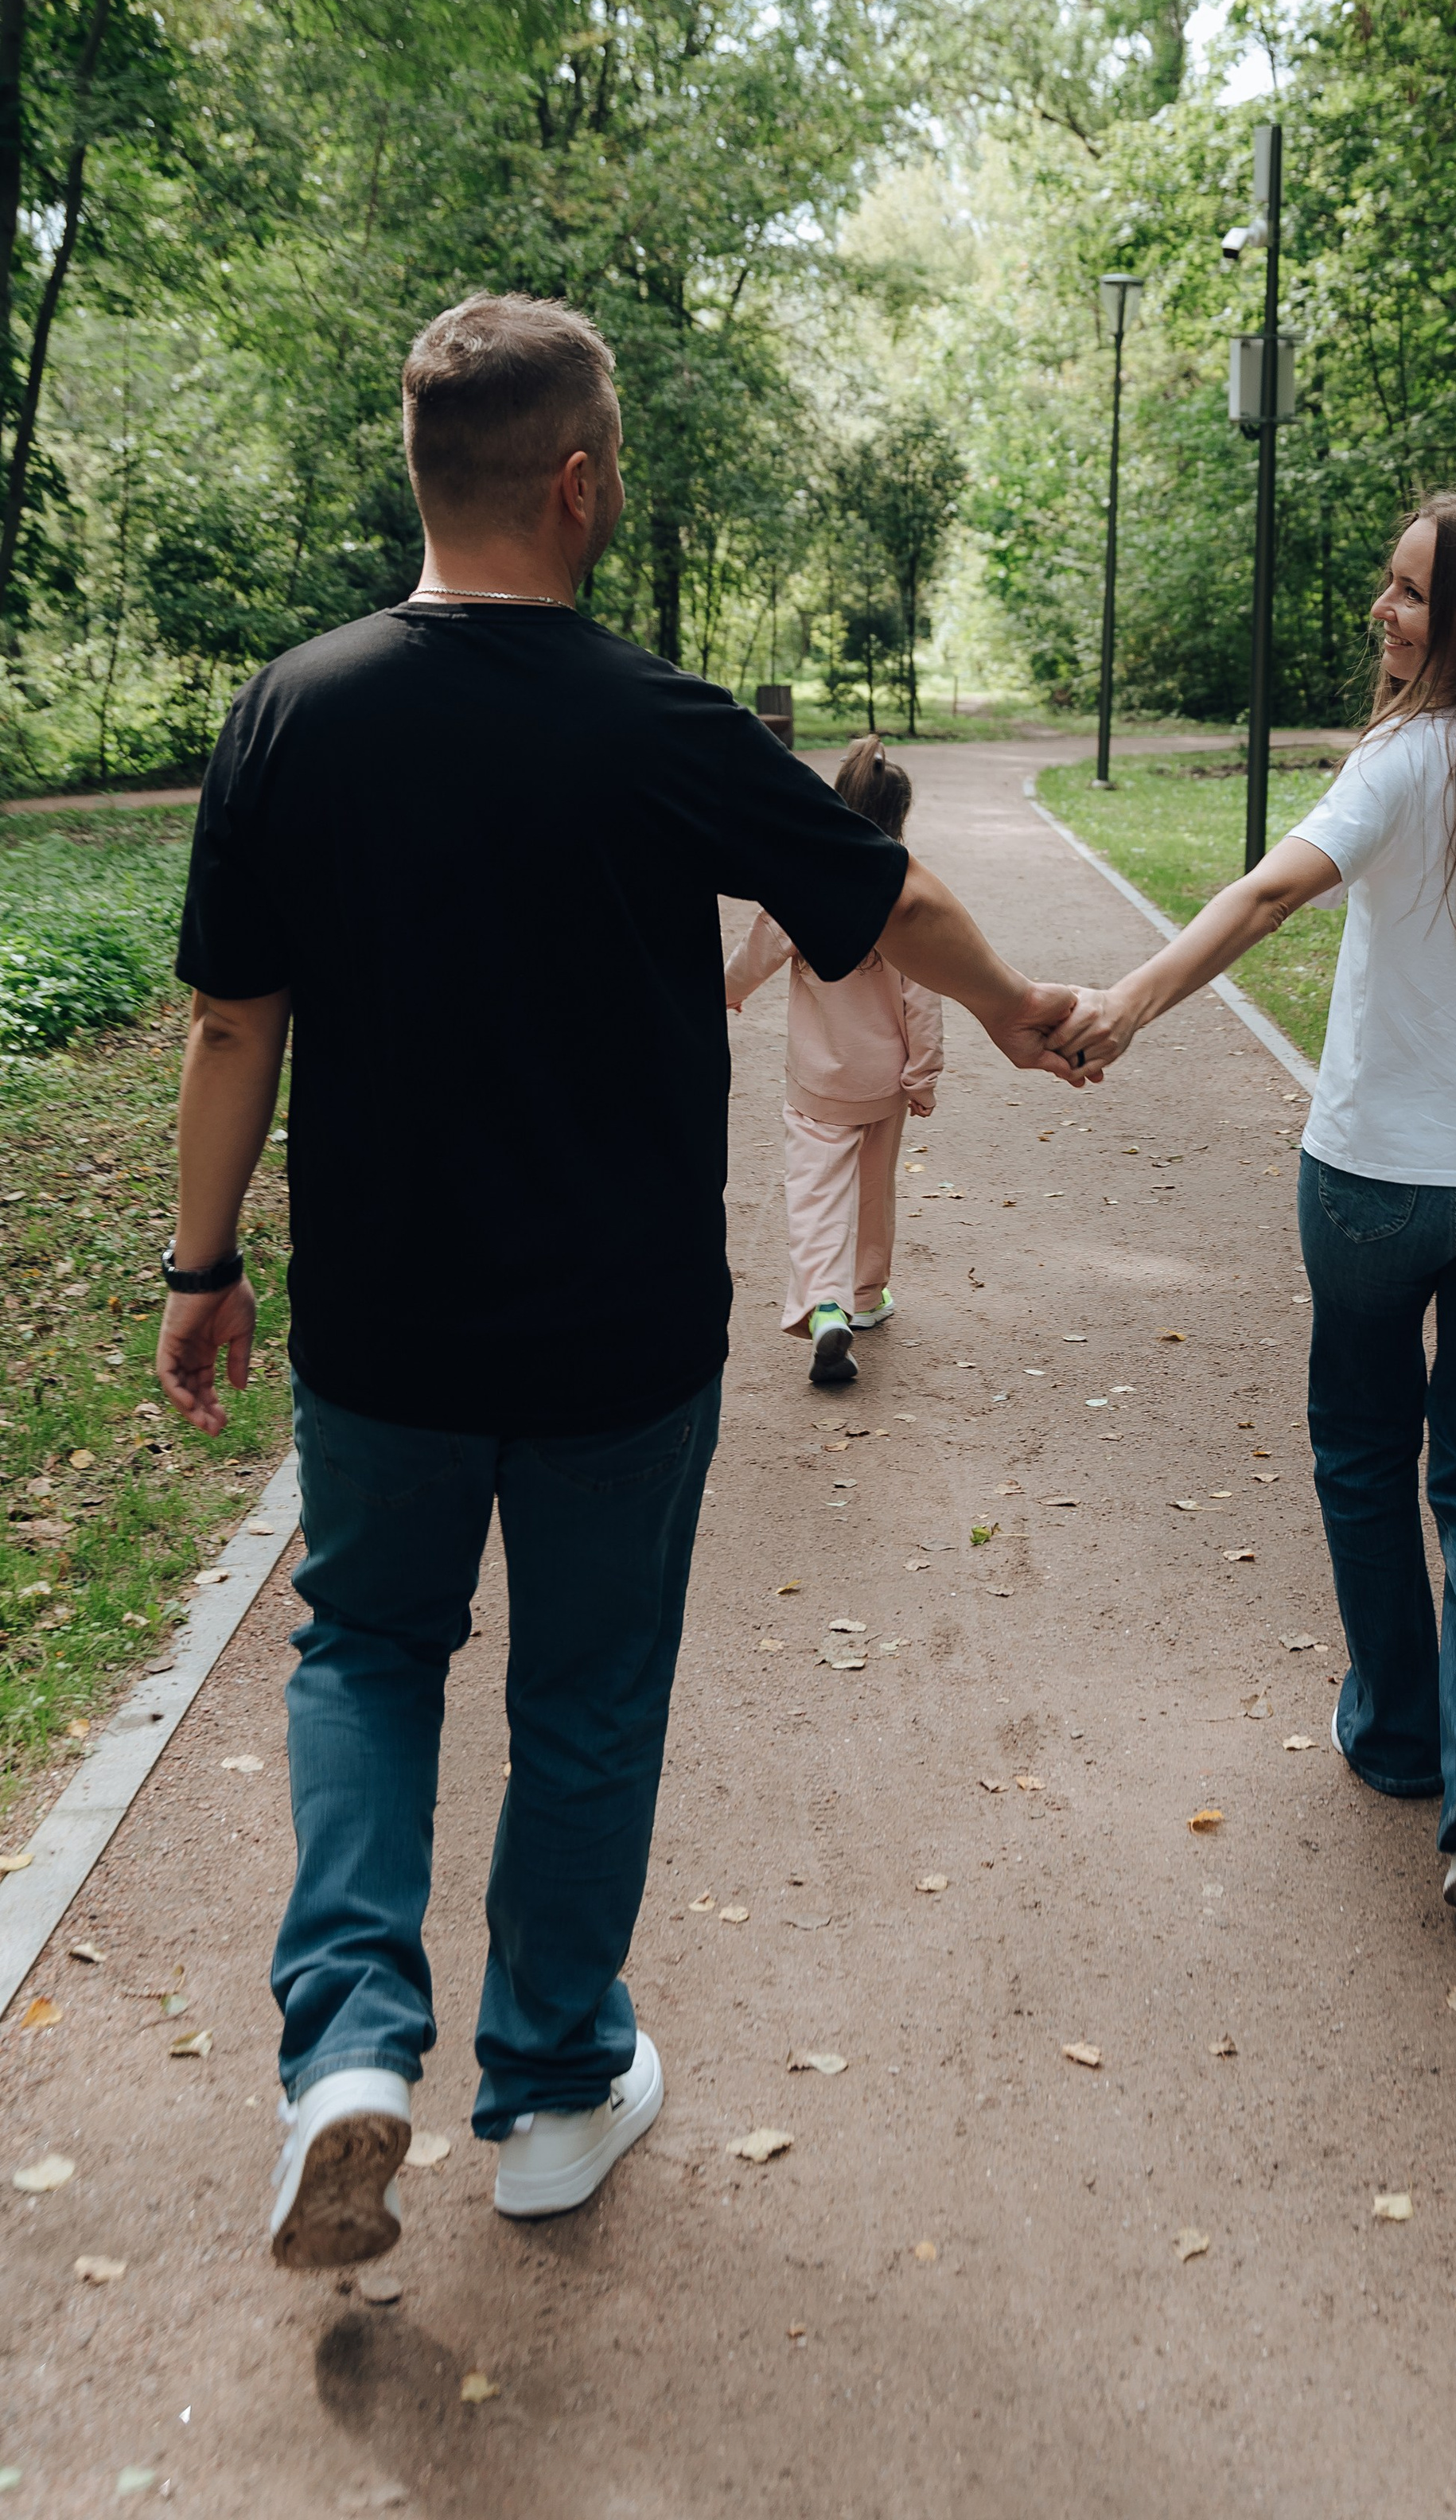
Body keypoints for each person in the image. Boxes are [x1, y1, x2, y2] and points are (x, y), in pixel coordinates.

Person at [155, 291, 1089, 2273]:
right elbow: (885, 891)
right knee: (585, 1692)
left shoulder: (292, 710)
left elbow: (238, 1022)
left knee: (364, 1649)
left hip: (387, 1323)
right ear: (574, 481)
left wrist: (201, 1263)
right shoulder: (661, 721)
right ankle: (557, 2088)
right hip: (618, 1328)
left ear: (423, 472)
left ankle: (344, 2044)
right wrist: (1013, 1011)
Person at [1056, 494, 1456, 1918]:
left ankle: (1397, 1731)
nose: (1381, 614)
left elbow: (1270, 893)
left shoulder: (1403, 761)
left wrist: (1128, 1003)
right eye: (1386, 585)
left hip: (1378, 1186)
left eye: (1408, 595)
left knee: (1366, 1450)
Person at [724, 734, 939, 1388]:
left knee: (817, 1194)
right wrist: (924, 1073)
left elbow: (757, 951)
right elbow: (923, 994)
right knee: (875, 1190)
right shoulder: (903, 885)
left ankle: (825, 1306)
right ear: (898, 816)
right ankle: (868, 1297)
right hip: (886, 1081)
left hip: (819, 1082)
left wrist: (726, 994)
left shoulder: (801, 879)